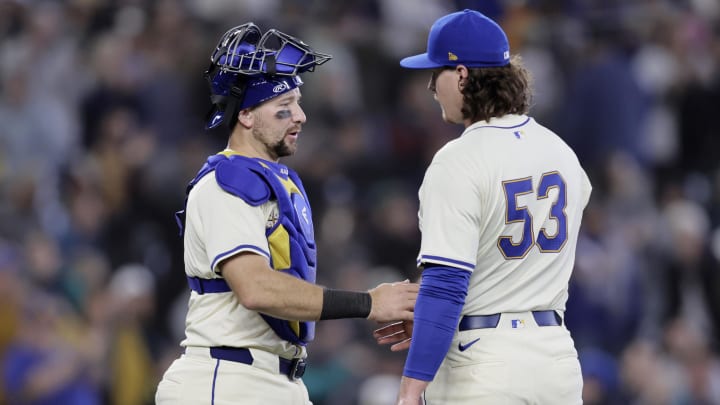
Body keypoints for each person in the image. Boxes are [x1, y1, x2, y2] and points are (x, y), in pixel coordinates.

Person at [155, 23, 418, 405]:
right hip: (226, 378)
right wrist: (369, 303)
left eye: (297, 102)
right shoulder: (227, 181)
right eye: (284, 107)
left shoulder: (278, 181)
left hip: (274, 380)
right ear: (246, 115)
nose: (300, 116)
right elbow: (255, 288)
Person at [374, 9, 593, 405]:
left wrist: (411, 386)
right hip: (556, 359)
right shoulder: (561, 152)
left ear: (461, 76)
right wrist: (433, 325)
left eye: (436, 71)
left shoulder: (457, 159)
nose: (429, 85)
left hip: (483, 365)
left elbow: (446, 285)